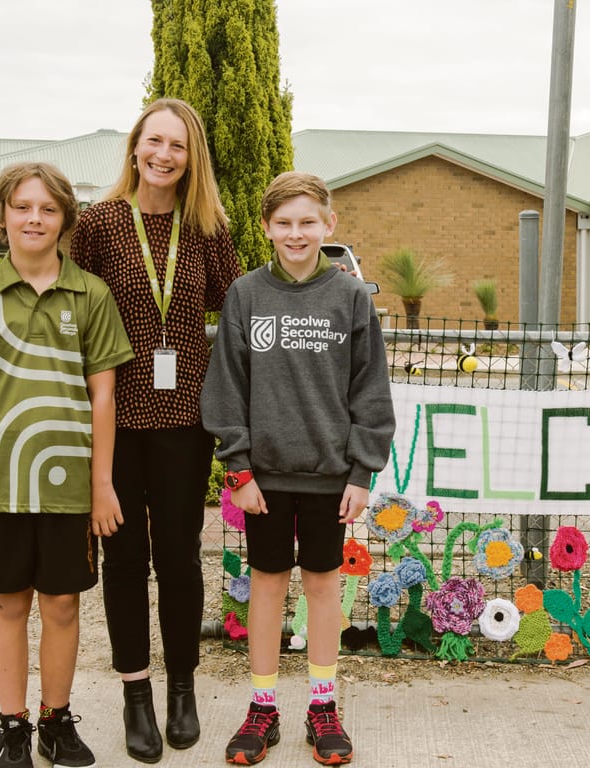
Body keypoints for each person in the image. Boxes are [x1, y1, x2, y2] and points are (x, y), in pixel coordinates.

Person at [0, 161, 134, 768]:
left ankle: (55, 720)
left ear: (65, 219)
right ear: (2, 217)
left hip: (70, 486)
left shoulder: (91, 294)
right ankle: (12, 724)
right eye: (22, 207)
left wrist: (103, 486)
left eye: (47, 209)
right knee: (7, 603)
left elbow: (104, 394)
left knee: (63, 604)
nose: (34, 218)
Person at [200, 171, 396, 765]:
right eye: (283, 223)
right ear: (266, 228)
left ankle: (322, 702)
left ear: (328, 225)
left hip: (329, 478)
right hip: (263, 479)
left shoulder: (350, 298)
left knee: (322, 585)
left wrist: (362, 472)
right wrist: (238, 468)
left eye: (307, 221)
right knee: (265, 583)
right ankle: (262, 706)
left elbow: (371, 391)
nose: (295, 232)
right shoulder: (246, 294)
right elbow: (227, 386)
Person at [69, 97, 242, 763]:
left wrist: (312, 284)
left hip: (184, 422)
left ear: (191, 156)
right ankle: (134, 694)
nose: (164, 155)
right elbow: (72, 308)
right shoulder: (100, 224)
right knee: (123, 560)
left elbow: (239, 304)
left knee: (178, 557)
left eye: (178, 145)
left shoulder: (207, 229)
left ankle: (181, 690)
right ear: (135, 147)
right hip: (115, 420)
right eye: (154, 142)